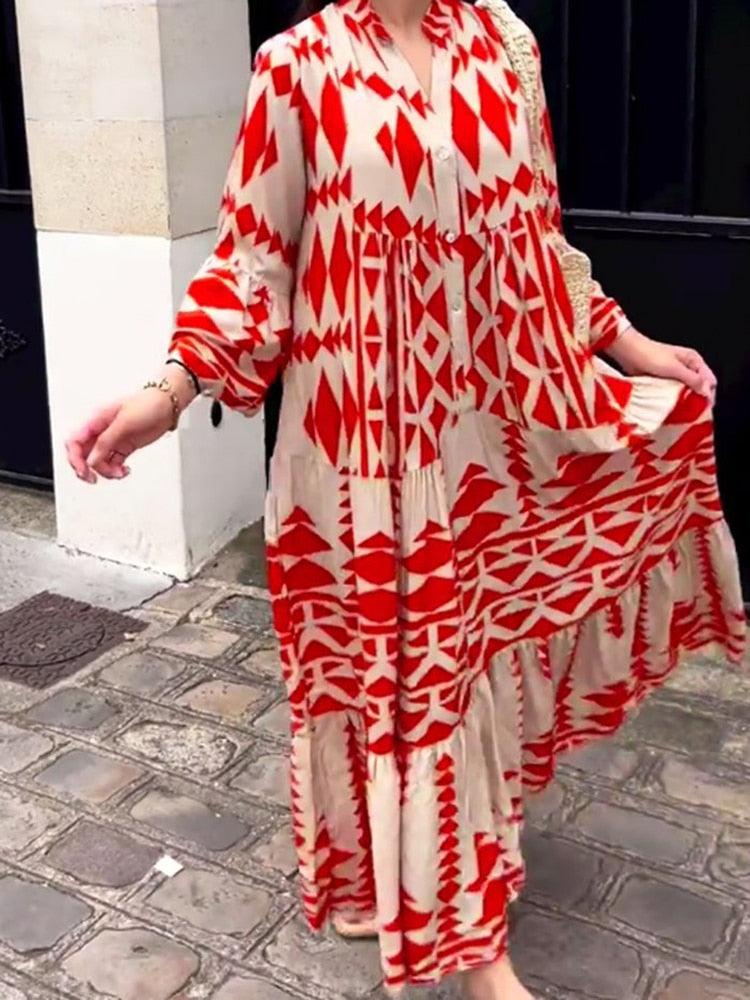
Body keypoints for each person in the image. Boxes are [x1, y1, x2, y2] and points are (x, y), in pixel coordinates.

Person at [65, 1, 747, 996]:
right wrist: (167, 395)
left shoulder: (505, 44)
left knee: (450, 667)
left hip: (485, 429)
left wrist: (631, 345)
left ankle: (465, 930)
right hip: (356, 450)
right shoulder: (297, 65)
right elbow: (253, 265)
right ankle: (391, 888)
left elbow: (536, 243)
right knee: (373, 668)